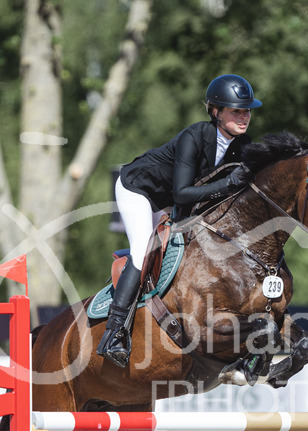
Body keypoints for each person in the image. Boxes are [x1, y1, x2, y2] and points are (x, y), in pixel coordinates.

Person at [97, 74, 262, 367]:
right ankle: (114, 332)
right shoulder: (194, 137)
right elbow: (183, 193)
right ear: (216, 112)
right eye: (236, 110)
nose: (244, 116)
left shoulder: (242, 144)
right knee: (142, 249)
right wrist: (228, 184)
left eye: (247, 110)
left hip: (172, 201)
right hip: (138, 189)